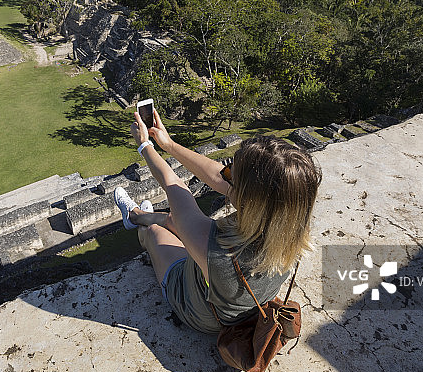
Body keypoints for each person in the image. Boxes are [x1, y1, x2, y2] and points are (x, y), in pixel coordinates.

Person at [114, 107, 321, 333]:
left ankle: (138, 222)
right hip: (243, 299)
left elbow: (172, 183)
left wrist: (144, 145)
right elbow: (217, 175)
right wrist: (169, 145)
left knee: (155, 231)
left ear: (249, 199)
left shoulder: (215, 249)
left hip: (201, 311)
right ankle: (137, 215)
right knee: (176, 220)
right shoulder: (293, 222)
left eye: (232, 176)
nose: (226, 175)